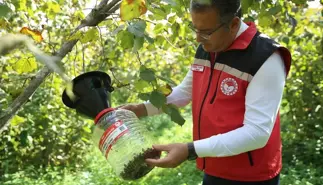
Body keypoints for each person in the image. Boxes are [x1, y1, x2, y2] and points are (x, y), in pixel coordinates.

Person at [119, 0, 292, 184]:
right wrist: (139, 109)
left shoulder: (266, 58)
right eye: (195, 29)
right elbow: (185, 92)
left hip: (251, 176)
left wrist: (190, 150)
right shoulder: (209, 46)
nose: (198, 39)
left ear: (233, 24)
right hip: (214, 162)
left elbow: (257, 133)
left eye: (206, 32)